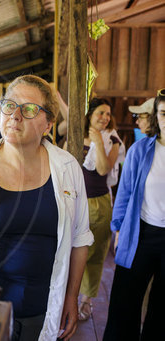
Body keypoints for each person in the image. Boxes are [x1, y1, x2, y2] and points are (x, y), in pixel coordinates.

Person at [0, 75, 94, 341]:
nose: (15, 116)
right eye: (9, 105)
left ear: (48, 124)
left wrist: (70, 298)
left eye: (30, 109)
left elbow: (80, 239)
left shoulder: (68, 168)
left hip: (43, 306)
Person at [103, 90, 165, 341]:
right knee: (124, 300)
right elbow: (125, 192)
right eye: (163, 113)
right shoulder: (141, 150)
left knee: (162, 307)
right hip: (140, 231)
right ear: (157, 116)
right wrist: (117, 230)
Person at [78, 98, 122, 321]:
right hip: (76, 201)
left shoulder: (112, 139)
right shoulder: (77, 134)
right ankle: (67, 296)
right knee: (72, 250)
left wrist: (97, 142)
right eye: (101, 113)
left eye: (108, 114)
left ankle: (86, 301)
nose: (105, 117)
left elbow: (104, 169)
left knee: (95, 253)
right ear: (90, 114)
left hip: (100, 202)